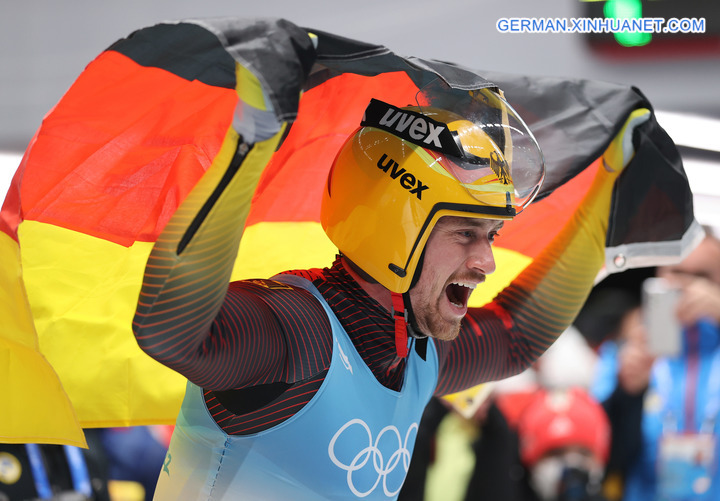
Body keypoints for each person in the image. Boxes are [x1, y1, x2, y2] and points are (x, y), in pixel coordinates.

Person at [130, 82, 632, 500]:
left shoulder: (414, 356)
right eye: (465, 233)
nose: (486, 262)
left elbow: (515, 338)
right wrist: (252, 140)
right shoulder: (296, 330)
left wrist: (612, 179)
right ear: (398, 229)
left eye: (491, 235)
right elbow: (167, 328)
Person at [591, 231, 720, 500]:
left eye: (702, 276)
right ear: (660, 274)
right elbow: (603, 453)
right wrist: (628, 394)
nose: (687, 286)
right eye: (677, 272)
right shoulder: (631, 347)